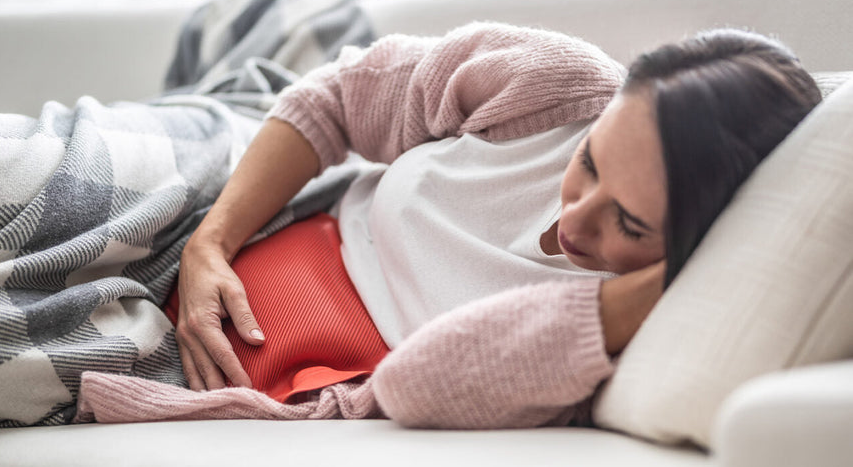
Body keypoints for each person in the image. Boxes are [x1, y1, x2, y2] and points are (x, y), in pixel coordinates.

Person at [171, 22, 821, 427]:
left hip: (266, 365)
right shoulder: (560, 86)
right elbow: (339, 95)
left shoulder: (620, 339)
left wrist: (655, 288)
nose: (575, 219)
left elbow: (415, 385)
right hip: (241, 205)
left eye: (628, 222)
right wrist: (211, 242)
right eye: (588, 161)